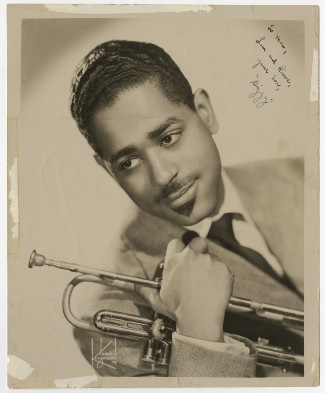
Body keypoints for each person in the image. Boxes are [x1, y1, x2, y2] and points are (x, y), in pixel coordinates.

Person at [69, 40, 303, 377]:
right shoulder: (101, 315)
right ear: (108, 170)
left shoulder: (303, 175)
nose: (163, 175)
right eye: (130, 161)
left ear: (205, 113)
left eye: (167, 138)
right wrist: (198, 331)